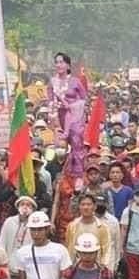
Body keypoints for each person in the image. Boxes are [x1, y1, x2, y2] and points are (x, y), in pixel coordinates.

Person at [48, 52, 88, 189]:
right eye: (57, 62)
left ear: (68, 65)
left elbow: (84, 101)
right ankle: (58, 174)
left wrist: (70, 106)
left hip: (74, 118)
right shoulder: (52, 82)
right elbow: (50, 100)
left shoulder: (75, 81)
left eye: (61, 62)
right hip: (58, 117)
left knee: (77, 146)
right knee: (59, 147)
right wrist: (53, 114)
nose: (59, 65)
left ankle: (78, 177)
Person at [0, 195, 36, 279]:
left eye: (29, 205)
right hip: (12, 267)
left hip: (29, 270)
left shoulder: (35, 225)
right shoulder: (9, 222)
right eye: (23, 204)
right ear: (18, 206)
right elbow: (2, 242)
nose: (25, 207)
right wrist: (2, 263)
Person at [64, 194, 112, 270]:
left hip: (96, 268)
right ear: (79, 207)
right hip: (77, 268)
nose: (86, 207)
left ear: (95, 207)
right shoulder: (72, 226)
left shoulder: (102, 227)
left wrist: (104, 267)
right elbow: (69, 248)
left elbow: (107, 249)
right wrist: (69, 267)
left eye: (89, 204)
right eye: (83, 204)